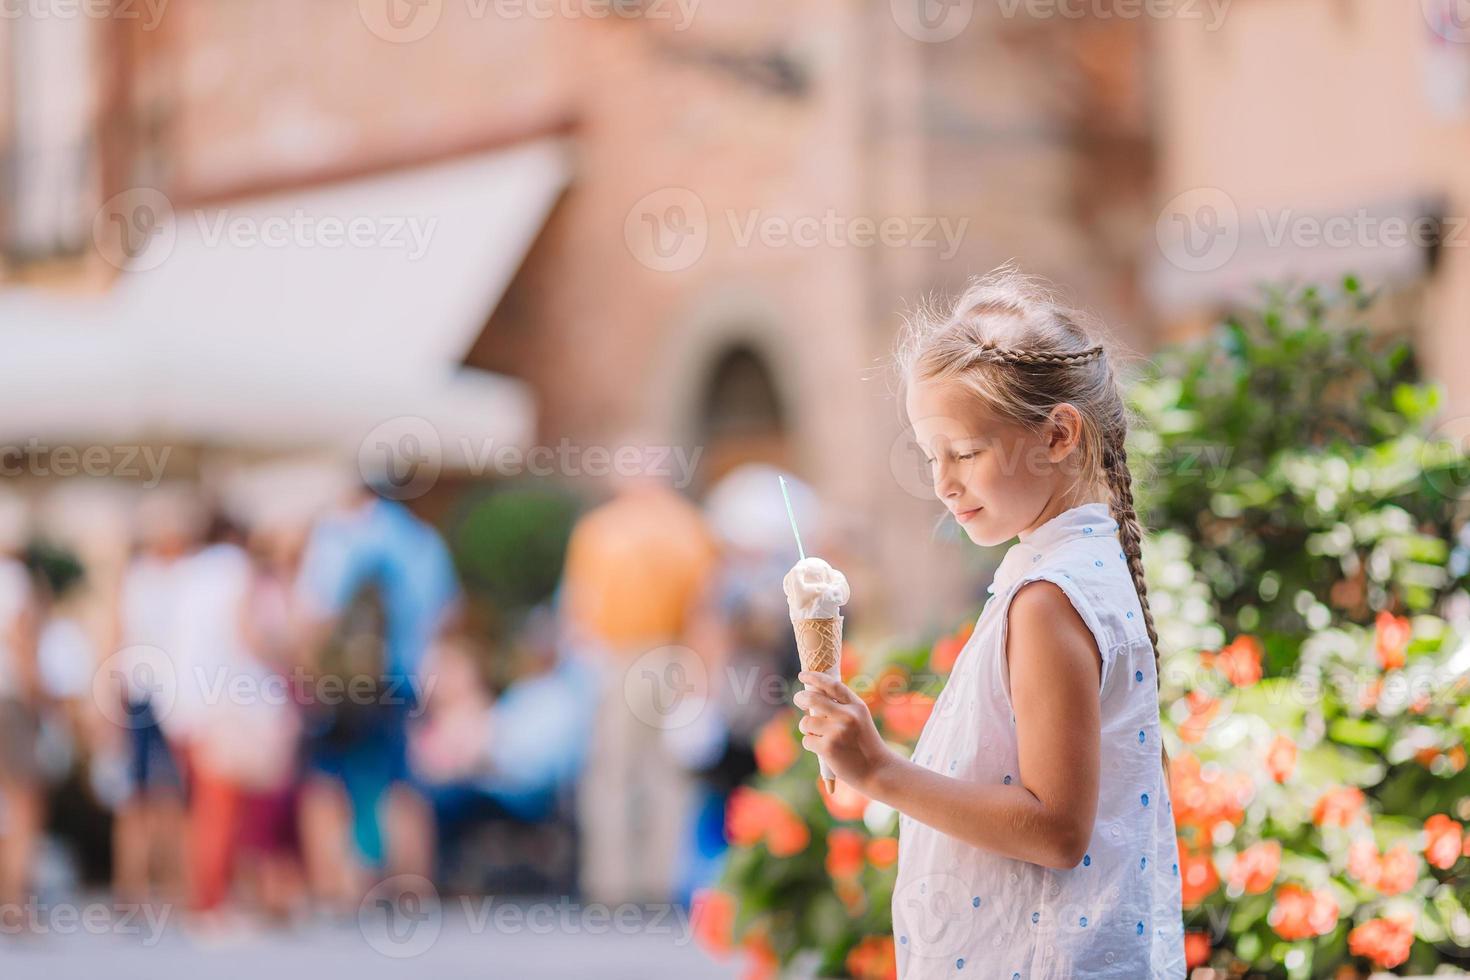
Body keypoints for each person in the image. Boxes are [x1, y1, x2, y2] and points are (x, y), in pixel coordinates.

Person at [792, 268, 1186, 978]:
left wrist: (879, 770)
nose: (942, 481)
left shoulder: (1048, 599)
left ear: (1059, 434)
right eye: (930, 455)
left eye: (965, 453)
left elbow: (1058, 830)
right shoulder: (1068, 572)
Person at [561, 454, 718, 905]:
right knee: (666, 773)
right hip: (673, 655)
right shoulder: (690, 527)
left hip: (621, 657)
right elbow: (703, 611)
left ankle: (611, 884)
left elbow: (580, 608)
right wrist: (700, 672)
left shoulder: (599, 530)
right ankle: (661, 881)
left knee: (613, 772)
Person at [294, 485, 458, 907]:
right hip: (400, 679)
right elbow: (445, 614)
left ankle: (339, 889)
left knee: (327, 785)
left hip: (344, 684)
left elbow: (318, 613)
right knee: (400, 784)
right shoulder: (422, 539)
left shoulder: (338, 534)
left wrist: (309, 673)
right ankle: (411, 888)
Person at [0, 494, 40, 930]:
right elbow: (18, 638)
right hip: (8, 697)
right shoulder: (13, 577)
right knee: (24, 801)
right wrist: (36, 694)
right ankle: (16, 905)